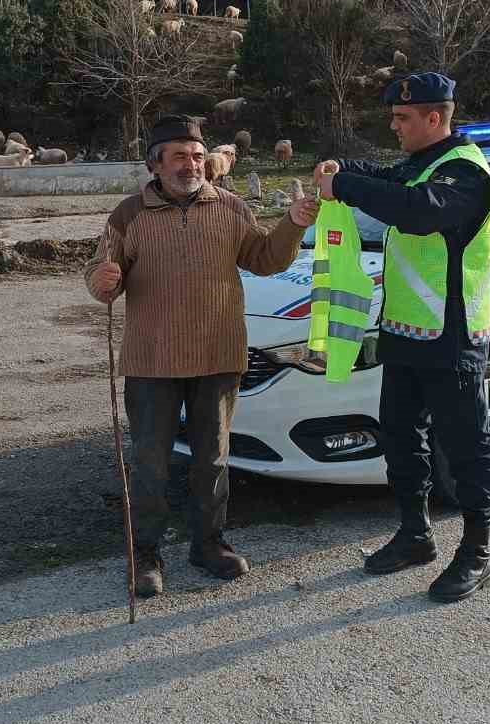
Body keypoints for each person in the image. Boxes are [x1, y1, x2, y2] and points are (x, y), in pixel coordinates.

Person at [85, 115, 319, 597]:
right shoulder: (128, 214)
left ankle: (209, 545)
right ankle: (145, 553)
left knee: (212, 459)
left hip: (218, 355)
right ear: (156, 164)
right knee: (150, 463)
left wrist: (292, 225)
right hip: (152, 361)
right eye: (179, 157)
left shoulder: (230, 206)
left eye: (196, 156)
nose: (191, 165)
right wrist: (101, 283)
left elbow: (265, 259)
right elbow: (102, 273)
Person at [313, 72, 490, 602]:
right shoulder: (424, 164)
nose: (393, 127)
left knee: (466, 445)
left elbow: (417, 213)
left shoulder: (467, 174)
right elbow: (392, 180)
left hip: (452, 337)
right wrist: (344, 168)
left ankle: (477, 550)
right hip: (404, 332)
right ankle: (415, 534)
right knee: (401, 436)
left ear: (435, 119)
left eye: (402, 119)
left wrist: (345, 186)